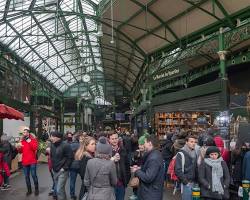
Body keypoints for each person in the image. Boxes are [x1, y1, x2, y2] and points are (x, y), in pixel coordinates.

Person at [131, 134, 165, 200]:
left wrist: (136, 171)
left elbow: (148, 178)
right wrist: (140, 168)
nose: (144, 144)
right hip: (150, 192)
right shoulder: (154, 154)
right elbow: (151, 169)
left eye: (145, 142)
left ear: (150, 143)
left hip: (150, 194)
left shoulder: (154, 158)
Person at [50, 131, 73, 200]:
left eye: (52, 136)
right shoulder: (52, 145)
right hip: (55, 170)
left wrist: (64, 168)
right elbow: (52, 156)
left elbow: (70, 157)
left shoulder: (66, 145)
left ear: (58, 138)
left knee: (59, 189)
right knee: (58, 189)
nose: (51, 138)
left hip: (62, 171)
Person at [16, 127, 39, 196]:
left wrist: (29, 141)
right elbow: (20, 152)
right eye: (23, 133)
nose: (24, 134)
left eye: (25, 132)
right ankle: (29, 190)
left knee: (34, 175)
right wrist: (18, 148)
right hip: (25, 161)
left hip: (32, 161)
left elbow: (35, 148)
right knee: (26, 177)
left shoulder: (33, 139)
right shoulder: (22, 141)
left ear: (28, 133)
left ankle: (36, 189)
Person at [175, 135, 198, 200]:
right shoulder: (181, 153)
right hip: (186, 183)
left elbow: (195, 167)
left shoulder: (195, 152)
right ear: (186, 142)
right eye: (191, 142)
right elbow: (177, 170)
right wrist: (186, 182)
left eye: (195, 142)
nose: (193, 143)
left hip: (194, 182)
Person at [108, 131, 130, 200]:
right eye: (112, 139)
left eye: (116, 138)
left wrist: (126, 179)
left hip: (121, 184)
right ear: (109, 140)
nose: (115, 140)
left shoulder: (123, 150)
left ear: (118, 139)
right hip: (110, 185)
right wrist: (112, 160)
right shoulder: (106, 151)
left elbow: (127, 165)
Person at [75, 135, 96, 200]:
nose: (94, 146)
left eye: (95, 144)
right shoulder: (86, 158)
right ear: (86, 146)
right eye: (92, 144)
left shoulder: (89, 155)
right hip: (88, 188)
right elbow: (84, 175)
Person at [69, 133, 80, 200]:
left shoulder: (70, 145)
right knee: (84, 179)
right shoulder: (80, 145)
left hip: (72, 165)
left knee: (72, 181)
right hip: (79, 164)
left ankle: (72, 195)